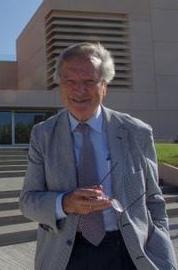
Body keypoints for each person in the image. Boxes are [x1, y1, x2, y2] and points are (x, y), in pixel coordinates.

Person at [19, 42, 177, 270]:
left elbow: (153, 201)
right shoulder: (42, 134)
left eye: (89, 81)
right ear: (60, 86)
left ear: (104, 86)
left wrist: (165, 257)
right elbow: (28, 201)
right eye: (69, 82)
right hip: (67, 256)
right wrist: (64, 203)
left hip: (130, 252)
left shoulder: (137, 132)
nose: (79, 90)